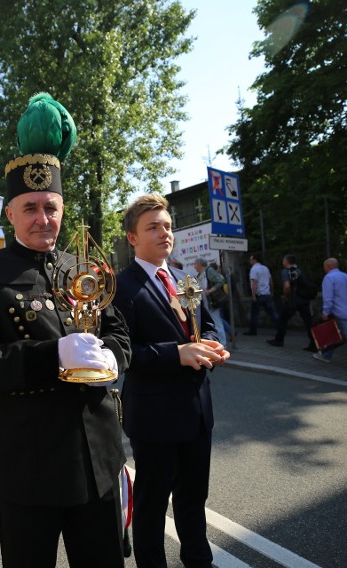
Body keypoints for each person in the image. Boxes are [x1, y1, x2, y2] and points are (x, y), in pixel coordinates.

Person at [0, 93, 131, 567]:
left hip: (98, 458)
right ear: (9, 213)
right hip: (31, 466)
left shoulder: (85, 268)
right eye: (29, 208)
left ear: (63, 208)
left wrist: (112, 356)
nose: (42, 219)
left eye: (51, 206)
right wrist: (53, 357)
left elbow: (119, 335)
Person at [114, 194, 229, 568]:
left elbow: (208, 325)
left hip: (198, 410)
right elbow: (122, 352)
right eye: (153, 227)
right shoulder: (120, 287)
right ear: (132, 238)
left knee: (194, 497)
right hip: (154, 414)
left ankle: (199, 560)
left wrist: (215, 345)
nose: (165, 233)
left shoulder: (184, 277)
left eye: (168, 226)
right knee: (152, 502)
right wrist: (175, 353)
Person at [267, 254, 316, 351]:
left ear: (286, 262)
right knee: (308, 322)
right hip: (304, 300)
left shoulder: (286, 271)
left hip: (292, 301)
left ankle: (279, 340)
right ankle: (314, 343)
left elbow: (287, 286)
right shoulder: (300, 270)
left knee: (282, 319)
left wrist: (286, 295)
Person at [193, 258, 228, 348]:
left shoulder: (209, 270)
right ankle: (218, 343)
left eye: (195, 264)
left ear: (200, 264)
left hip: (213, 302)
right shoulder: (200, 274)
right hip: (207, 303)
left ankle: (223, 345)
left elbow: (220, 281)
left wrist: (210, 291)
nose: (194, 266)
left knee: (217, 323)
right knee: (215, 323)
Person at [245, 253, 278, 335]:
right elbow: (270, 281)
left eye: (251, 259)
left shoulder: (254, 269)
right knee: (272, 312)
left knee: (254, 314)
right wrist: (271, 291)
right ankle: (280, 326)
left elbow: (254, 282)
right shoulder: (265, 268)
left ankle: (253, 331)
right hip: (266, 293)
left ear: (254, 260)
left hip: (259, 294)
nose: (250, 261)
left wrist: (253, 295)